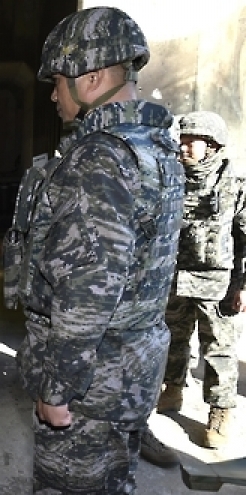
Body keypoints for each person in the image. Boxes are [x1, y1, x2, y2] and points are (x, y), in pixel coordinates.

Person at [6, 7, 185, 493]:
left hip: (91, 382)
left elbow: (88, 289)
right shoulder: (158, 148)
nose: (52, 93)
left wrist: (57, 387)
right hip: (130, 373)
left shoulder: (100, 157)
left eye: (58, 80)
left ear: (93, 77)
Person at [140, 111, 246, 466]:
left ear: (213, 145)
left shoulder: (234, 186)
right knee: (172, 337)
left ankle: (220, 412)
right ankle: (172, 390)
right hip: (174, 276)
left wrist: (242, 285)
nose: (184, 147)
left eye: (192, 142)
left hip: (217, 281)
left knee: (218, 348)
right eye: (182, 141)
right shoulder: (171, 179)